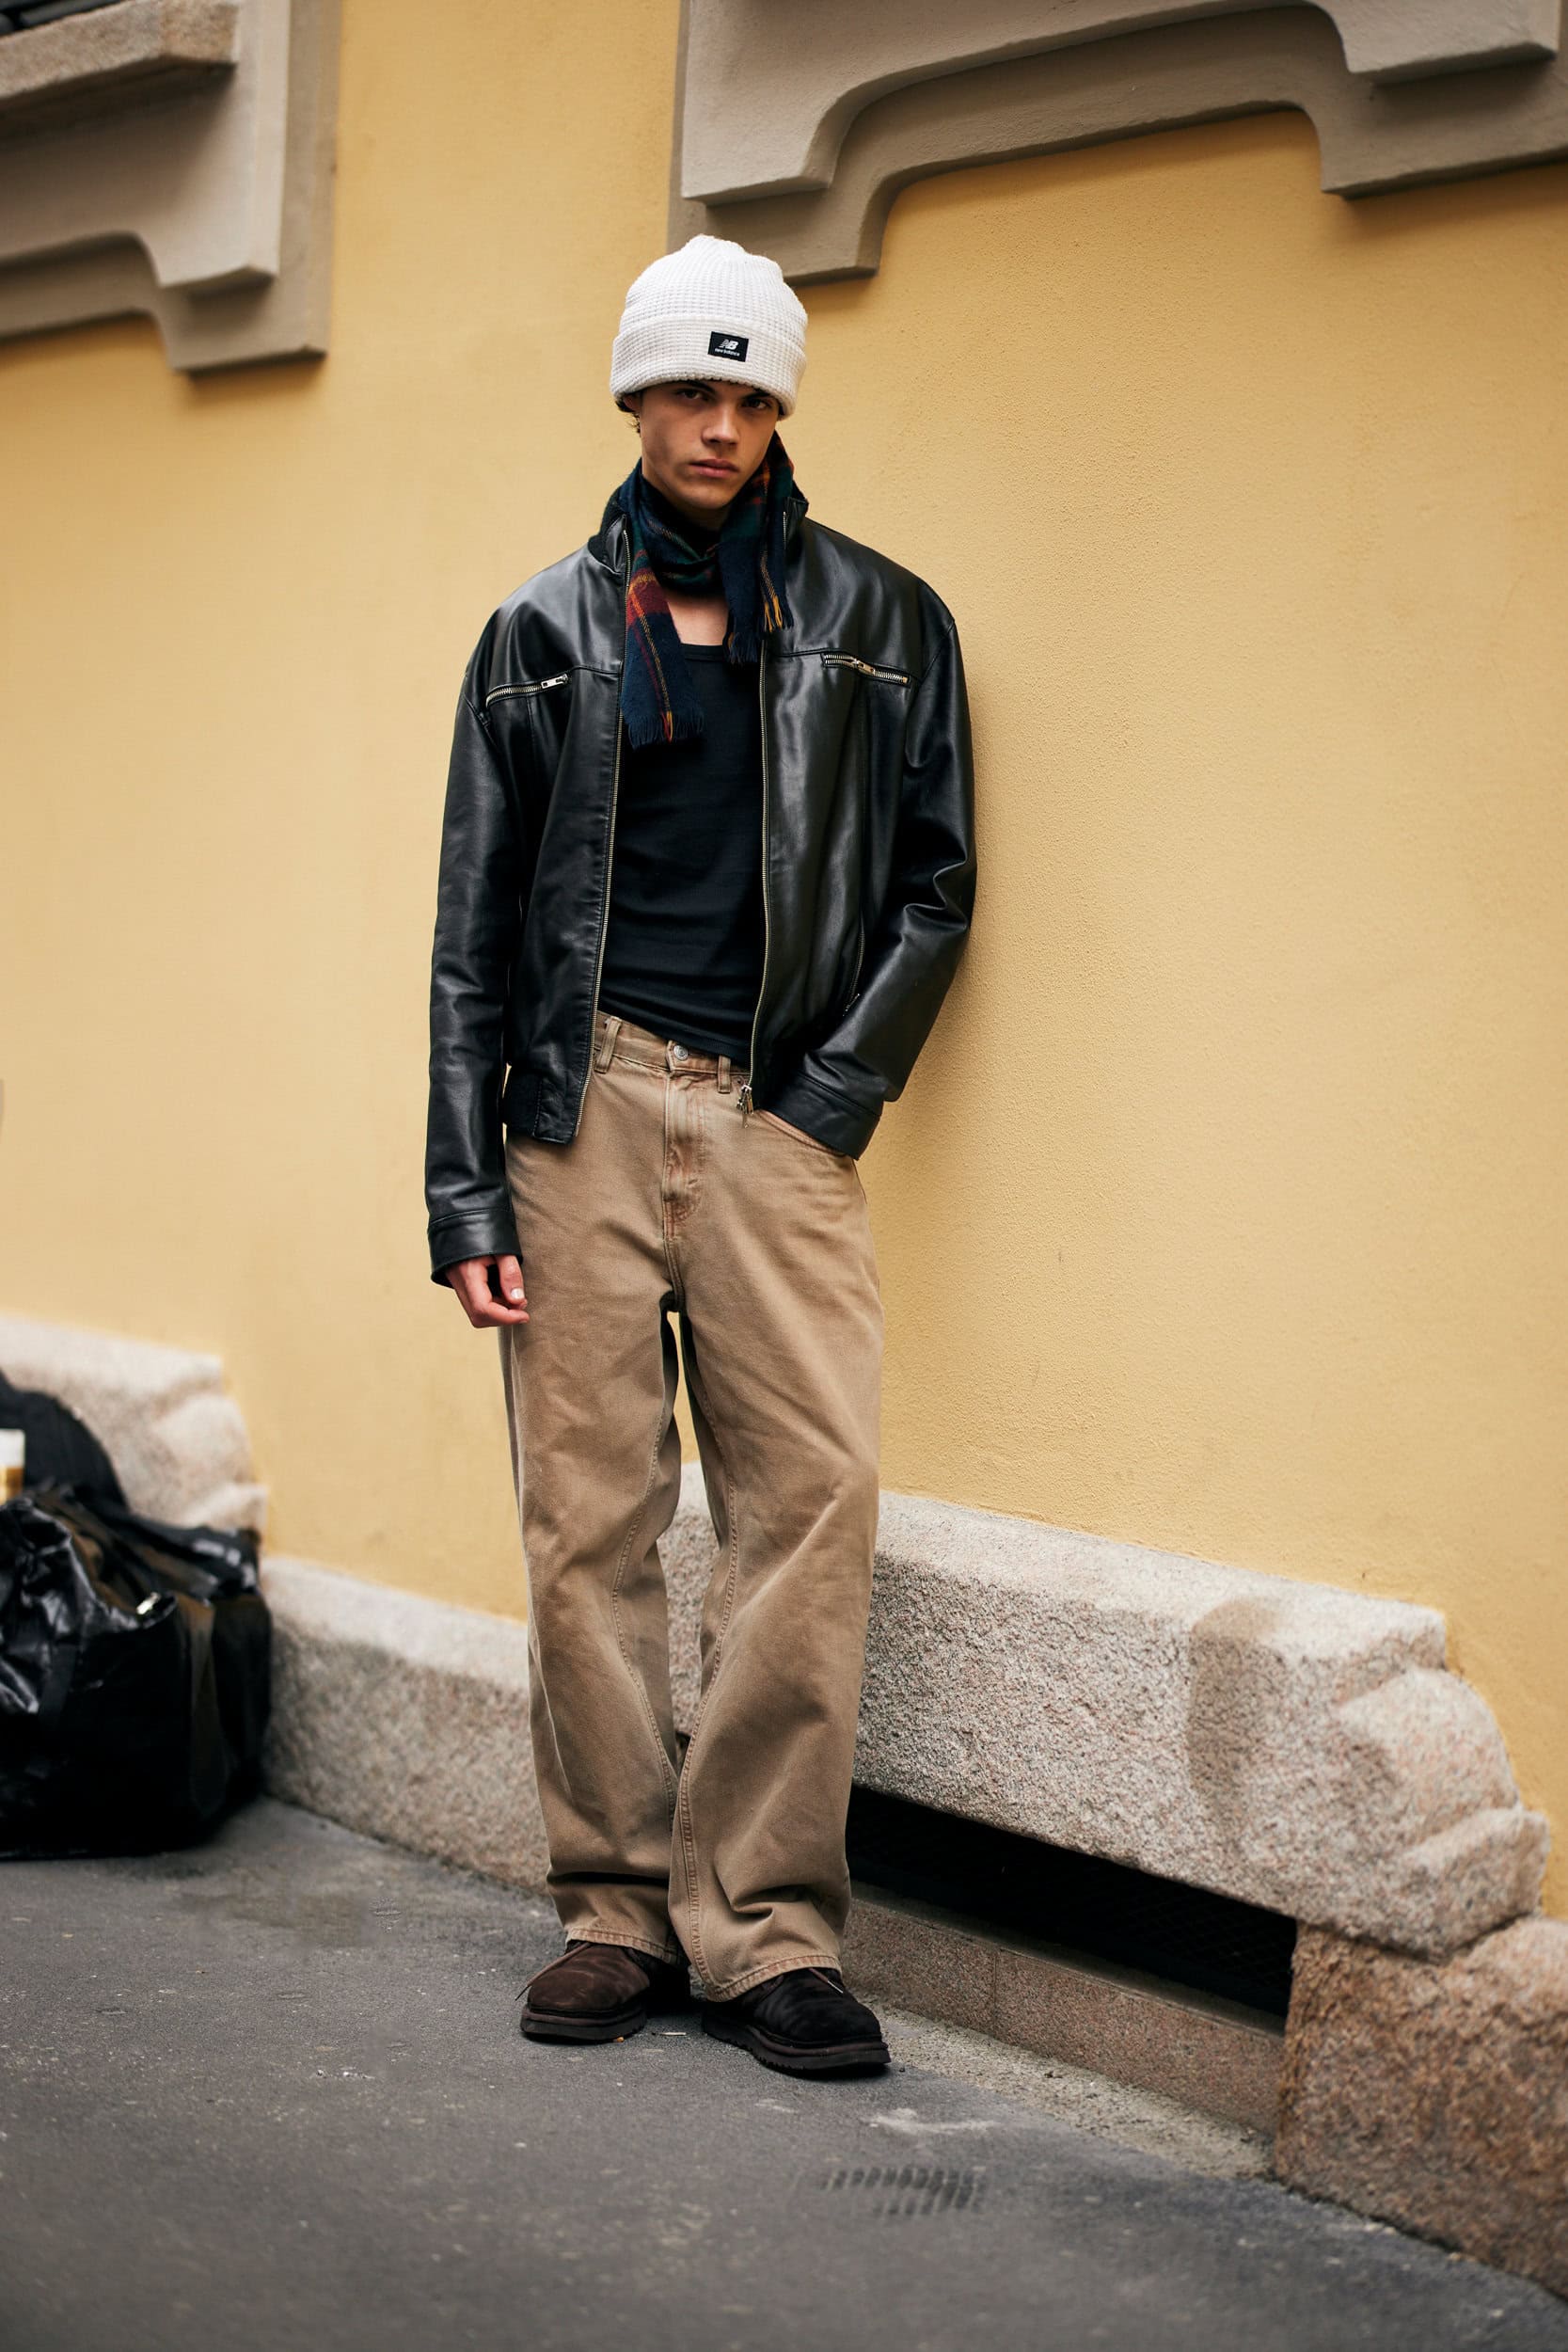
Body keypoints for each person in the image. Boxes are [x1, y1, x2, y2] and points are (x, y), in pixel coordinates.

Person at [425, 234, 975, 2078]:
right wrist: (464, 1186)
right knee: (584, 1522)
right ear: (636, 401)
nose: (720, 425)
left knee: (810, 1502)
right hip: (575, 1117)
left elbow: (937, 884)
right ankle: (613, 1908)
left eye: (750, 393)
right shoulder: (540, 635)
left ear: (780, 407)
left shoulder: (887, 620)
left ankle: (764, 1929)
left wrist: (831, 1101)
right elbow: (471, 930)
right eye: (689, 390)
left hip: (776, 1117)